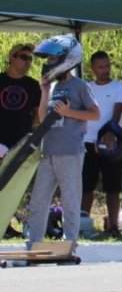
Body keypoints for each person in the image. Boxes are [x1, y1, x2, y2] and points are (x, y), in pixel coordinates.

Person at [26, 35, 99, 245]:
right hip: (48, 151)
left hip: (70, 151)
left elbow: (95, 114)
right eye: (47, 59)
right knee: (39, 199)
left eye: (51, 58)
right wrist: (44, 91)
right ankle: (34, 241)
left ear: (68, 59)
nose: (48, 63)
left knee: (70, 199)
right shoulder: (52, 86)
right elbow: (41, 118)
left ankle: (70, 242)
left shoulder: (79, 86)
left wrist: (69, 112)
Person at [81, 50, 122, 237]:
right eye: (101, 67)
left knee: (112, 186)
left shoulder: (120, 87)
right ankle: (84, 223)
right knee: (86, 186)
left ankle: (113, 225)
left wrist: (110, 133)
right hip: (87, 141)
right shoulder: (86, 87)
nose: (105, 70)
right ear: (93, 67)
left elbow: (117, 112)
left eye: (107, 66)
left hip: (112, 142)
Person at [0, 43, 42, 160]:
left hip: (22, 143)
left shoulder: (33, 85)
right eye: (23, 57)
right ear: (12, 58)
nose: (28, 61)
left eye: (30, 58)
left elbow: (38, 113)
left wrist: (29, 132)